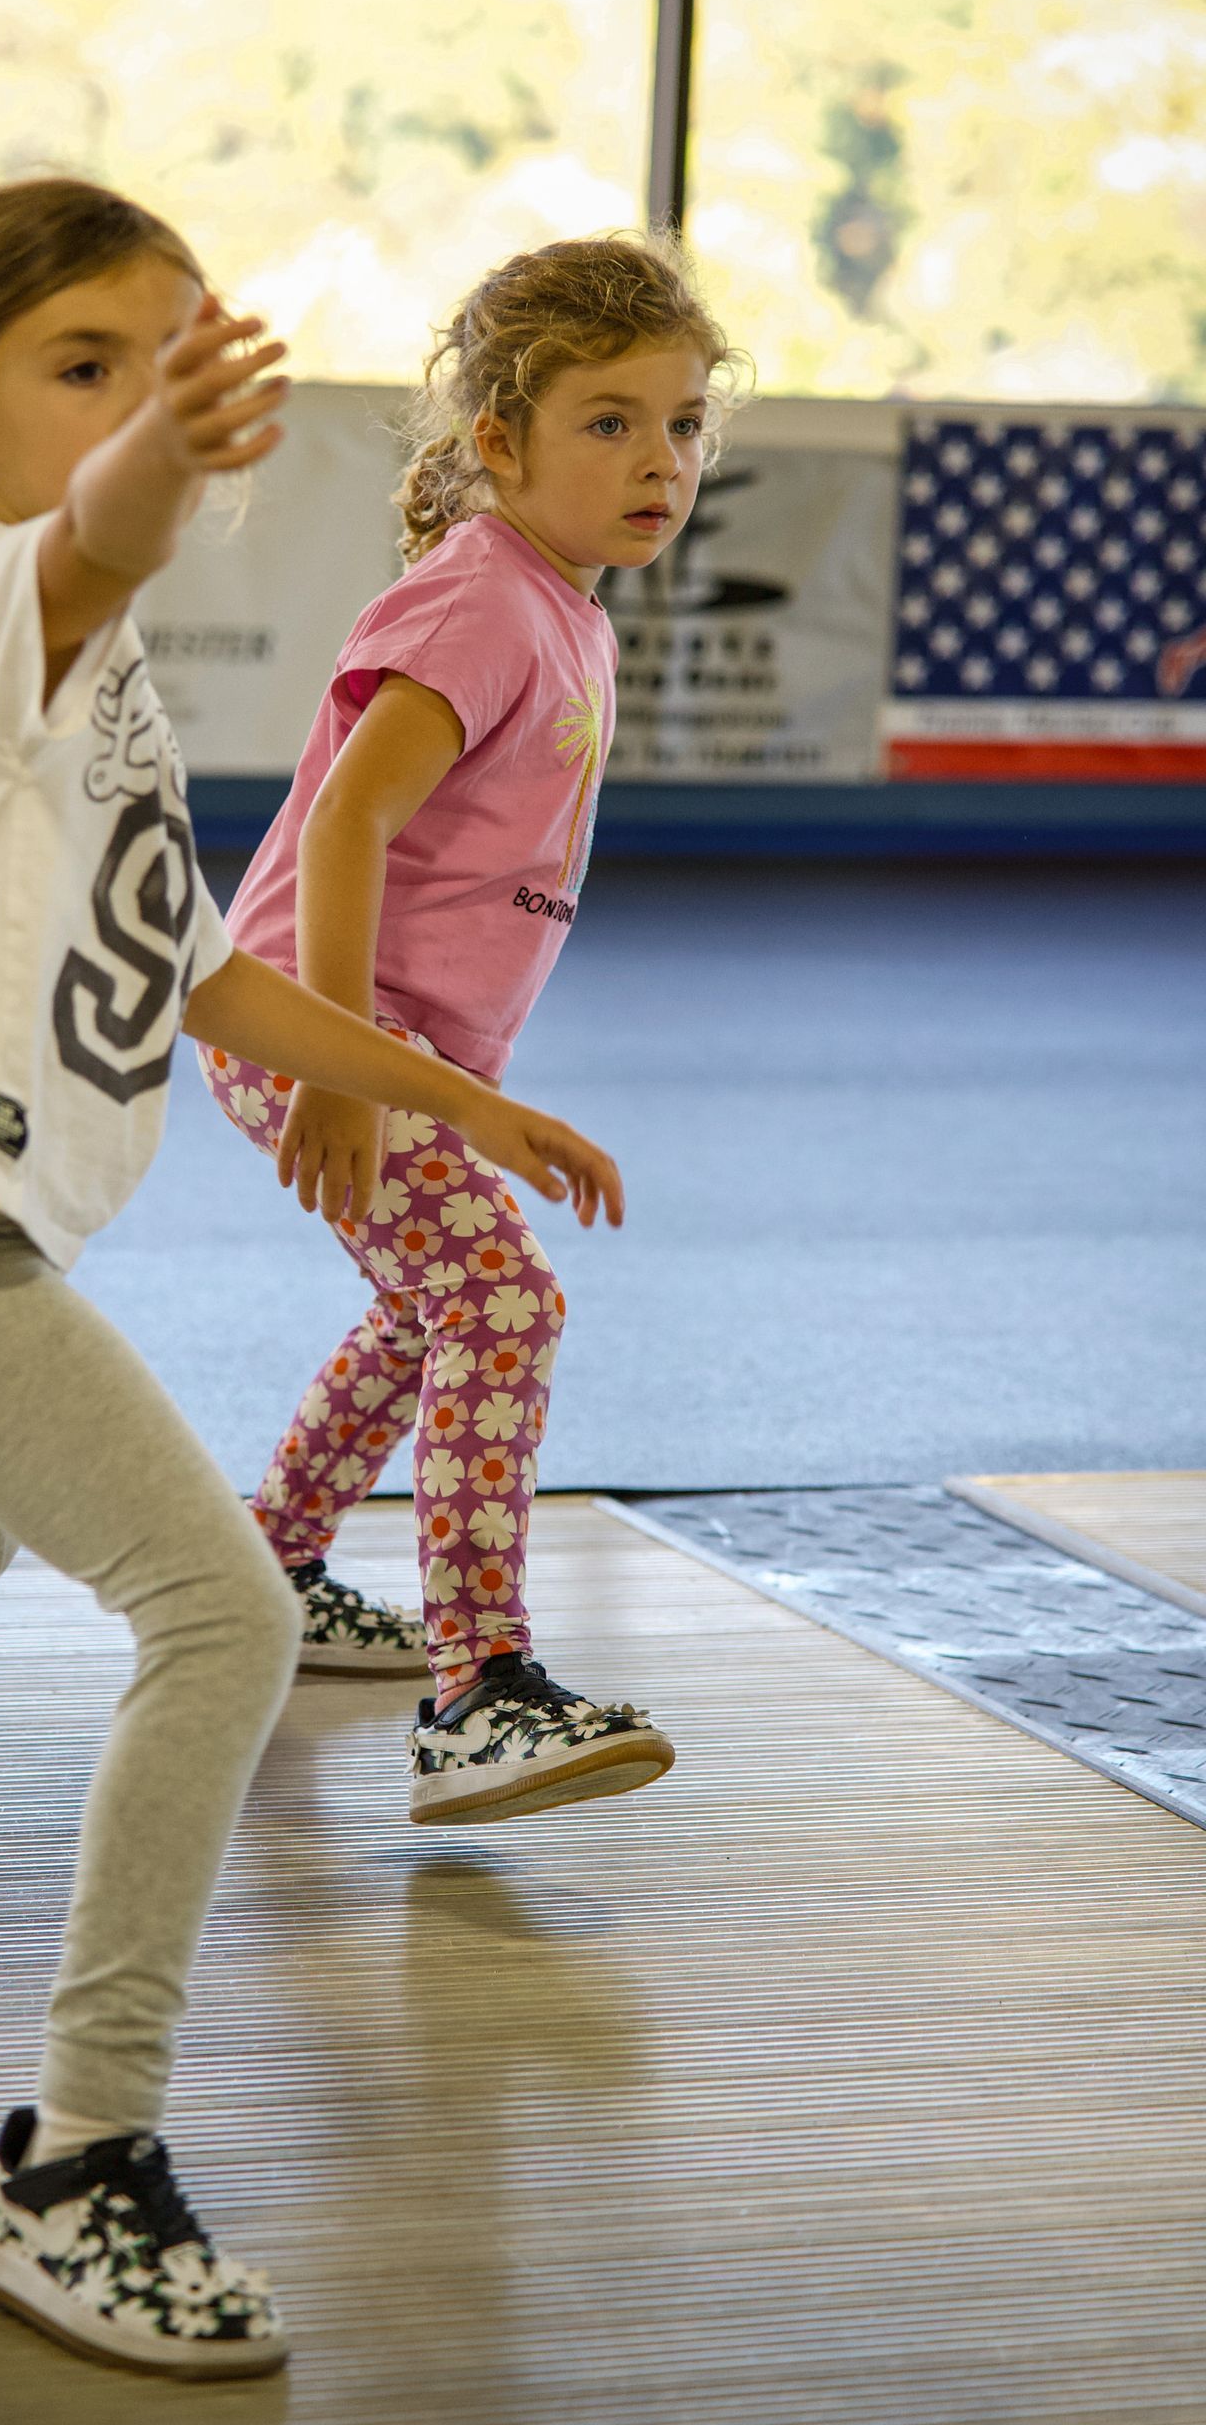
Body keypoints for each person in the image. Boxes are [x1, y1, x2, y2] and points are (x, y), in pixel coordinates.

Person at [0, 178, 627, 2382]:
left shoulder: (98, 712)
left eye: (174, 352)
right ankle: (76, 2161)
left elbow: (219, 990)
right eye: (87, 365)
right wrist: (168, 437)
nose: (147, 402)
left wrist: (480, 1110)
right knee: (226, 1615)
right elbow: (106, 528)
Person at [202, 230, 747, 1828]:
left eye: (685, 423)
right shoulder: (480, 605)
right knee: (502, 1306)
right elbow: (343, 831)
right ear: (498, 441)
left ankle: (272, 1573)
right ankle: (479, 1689)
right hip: (319, 1026)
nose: (661, 460)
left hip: (380, 1041)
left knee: (425, 1309)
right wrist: (337, 1070)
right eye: (609, 421)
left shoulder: (565, 605)